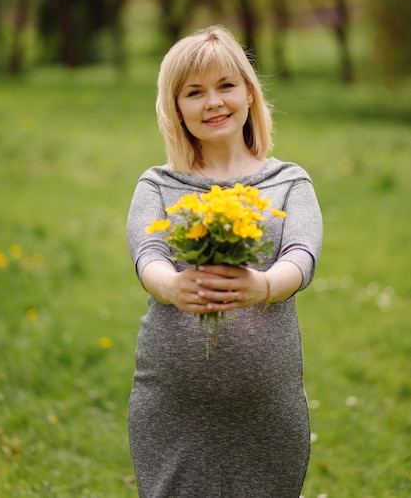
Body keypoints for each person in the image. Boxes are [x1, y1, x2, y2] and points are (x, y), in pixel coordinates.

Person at [126, 26, 323, 498]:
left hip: (267, 407)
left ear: (250, 95)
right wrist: (171, 287)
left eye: (226, 86)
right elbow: (147, 255)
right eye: (194, 92)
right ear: (176, 109)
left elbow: (302, 253)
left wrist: (266, 286)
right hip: (172, 405)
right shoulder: (157, 185)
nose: (212, 102)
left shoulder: (289, 182)